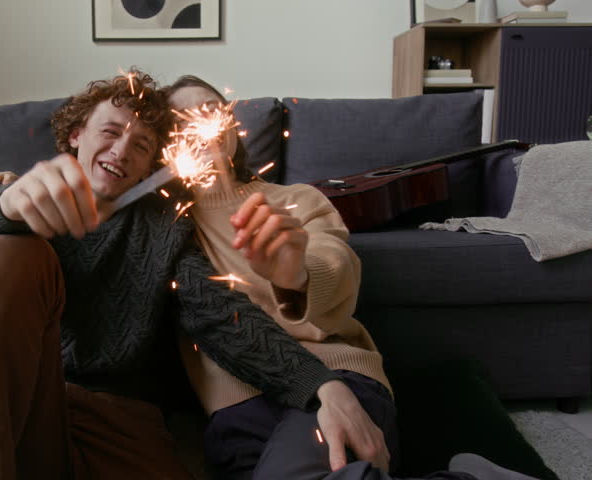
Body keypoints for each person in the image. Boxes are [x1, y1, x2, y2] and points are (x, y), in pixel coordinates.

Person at [0, 69, 384, 480]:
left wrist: (315, 370)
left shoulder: (175, 219)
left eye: (141, 145)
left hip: (129, 419)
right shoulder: (43, 195)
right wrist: (5, 202)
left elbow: (217, 311)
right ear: (76, 134)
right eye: (109, 133)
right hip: (43, 398)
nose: (120, 152)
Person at [160, 75, 538, 480]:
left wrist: (300, 274)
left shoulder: (298, 199)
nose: (201, 124)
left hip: (337, 379)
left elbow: (338, 263)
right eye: (182, 118)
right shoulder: (163, 221)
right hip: (237, 409)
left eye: (212, 110)